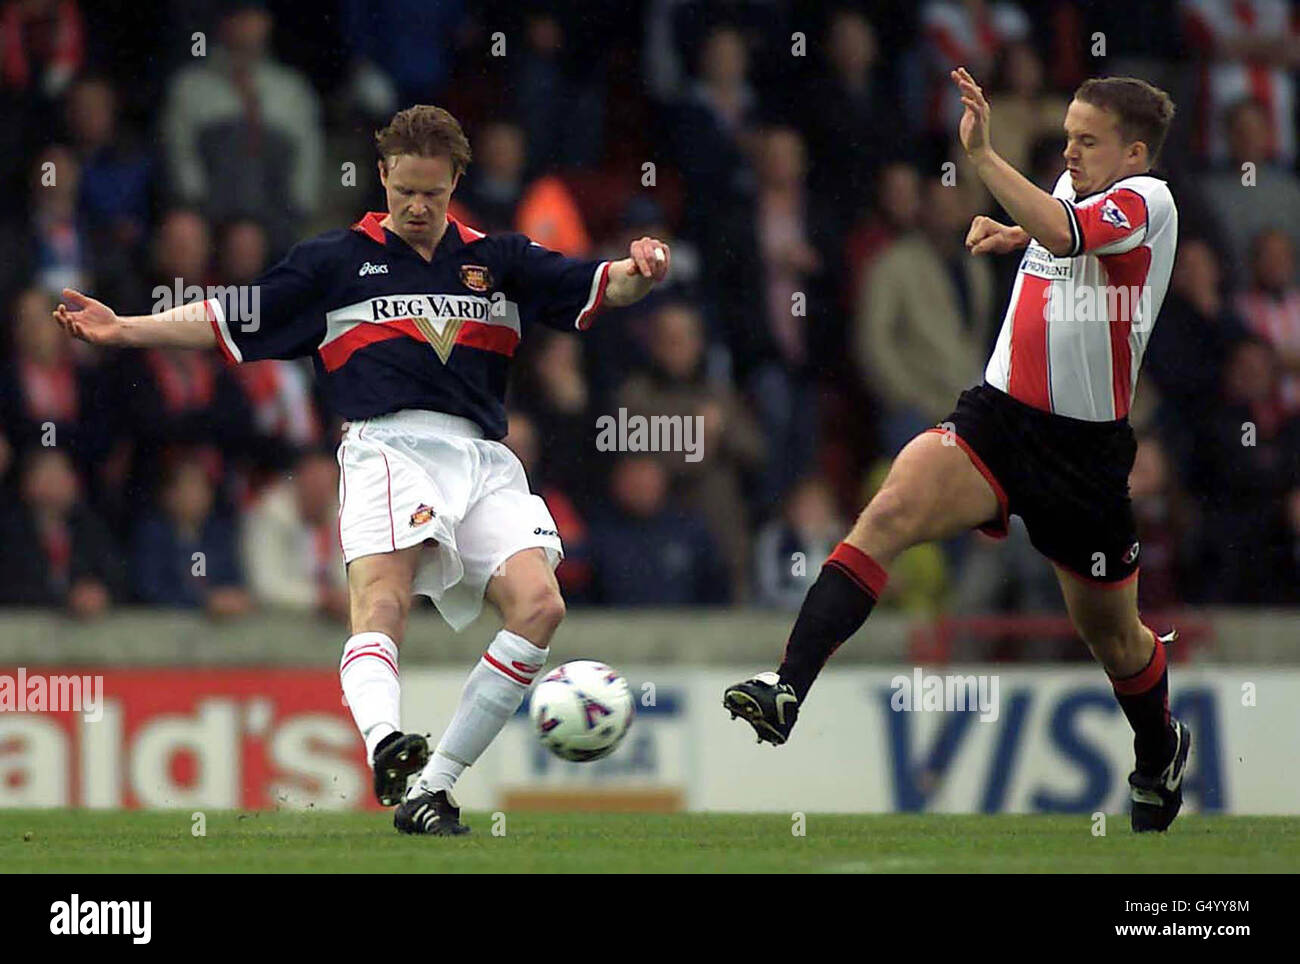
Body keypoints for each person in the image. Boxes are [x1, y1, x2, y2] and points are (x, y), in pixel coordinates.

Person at [54, 104, 670, 836]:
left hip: (482, 459)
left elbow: (603, 286)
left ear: (455, 185)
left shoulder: (501, 260)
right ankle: (386, 744)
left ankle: (432, 788)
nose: (416, 206)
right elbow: (227, 318)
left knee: (542, 608)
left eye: (433, 194)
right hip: (388, 447)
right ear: (380, 175)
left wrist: (641, 270)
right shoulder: (334, 263)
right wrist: (125, 328)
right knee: (382, 604)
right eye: (404, 189)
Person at [724, 71, 1190, 833]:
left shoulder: (1151, 199)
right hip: (997, 421)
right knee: (889, 511)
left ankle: (1158, 746)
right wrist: (1012, 232)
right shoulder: (1081, 189)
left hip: (1084, 458)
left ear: (1135, 151)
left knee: (1115, 638)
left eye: (1086, 140)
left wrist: (981, 157)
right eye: (1067, 135)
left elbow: (1072, 235)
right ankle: (787, 686)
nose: (1068, 151)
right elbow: (1060, 234)